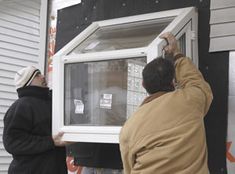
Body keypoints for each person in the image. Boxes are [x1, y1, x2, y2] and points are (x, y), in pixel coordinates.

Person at [119, 32, 213, 174]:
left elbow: (128, 168)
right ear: (173, 82)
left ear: (143, 85)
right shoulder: (192, 100)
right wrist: (177, 53)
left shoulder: (129, 127)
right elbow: (195, 81)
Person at [3, 66, 68, 174]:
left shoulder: (53, 102)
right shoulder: (21, 106)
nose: (43, 76)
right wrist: (50, 141)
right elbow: (12, 142)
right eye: (37, 75)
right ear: (28, 82)